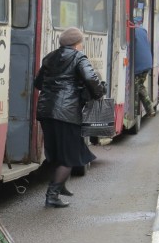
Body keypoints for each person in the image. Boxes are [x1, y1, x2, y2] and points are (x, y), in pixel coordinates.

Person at [33, 27, 105, 208]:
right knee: (70, 156)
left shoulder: (49, 57)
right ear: (77, 43)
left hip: (46, 111)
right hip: (67, 113)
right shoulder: (78, 57)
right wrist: (98, 93)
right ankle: (52, 195)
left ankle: (61, 186)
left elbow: (38, 83)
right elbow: (91, 79)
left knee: (57, 153)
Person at [134, 26, 156, 117]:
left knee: (135, 88)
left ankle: (134, 113)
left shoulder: (130, 30)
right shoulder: (142, 30)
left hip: (139, 64)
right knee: (139, 86)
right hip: (147, 63)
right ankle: (150, 109)